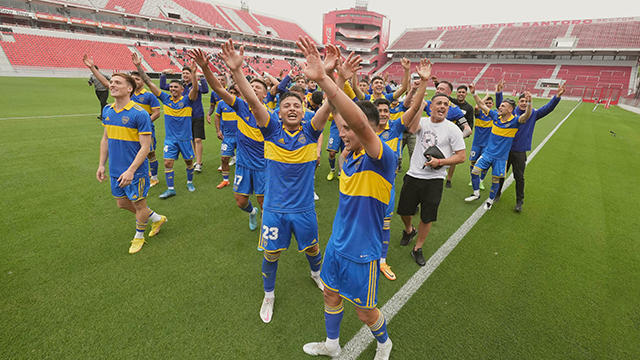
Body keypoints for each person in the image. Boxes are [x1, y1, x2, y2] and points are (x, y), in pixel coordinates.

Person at [214, 41, 334, 324]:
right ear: (279, 112)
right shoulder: (270, 130)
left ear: (304, 110)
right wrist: (237, 72)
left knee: (314, 249)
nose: (292, 108)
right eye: (286, 106)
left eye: (297, 105)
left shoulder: (311, 131)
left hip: (304, 209)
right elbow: (254, 102)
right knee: (271, 253)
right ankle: (269, 294)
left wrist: (326, 75)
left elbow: (330, 104)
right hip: (275, 209)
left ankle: (316, 275)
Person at [297, 37, 395, 360]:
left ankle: (384, 343)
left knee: (365, 314)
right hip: (338, 245)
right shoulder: (347, 158)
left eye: (347, 129)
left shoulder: (382, 157)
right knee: (330, 294)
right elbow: (344, 115)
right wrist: (334, 79)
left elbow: (358, 121)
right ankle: (332, 346)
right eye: (339, 129)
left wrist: (327, 80)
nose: (342, 133)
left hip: (362, 253)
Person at [88, 67, 167, 254]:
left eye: (117, 83)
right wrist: (101, 164)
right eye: (111, 82)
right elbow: (105, 139)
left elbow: (145, 147)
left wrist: (131, 170)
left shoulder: (139, 114)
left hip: (135, 170)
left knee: (139, 204)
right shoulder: (107, 110)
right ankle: (156, 218)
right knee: (122, 203)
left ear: (129, 88)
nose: (112, 85)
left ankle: (139, 237)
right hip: (116, 169)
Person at [194, 48, 267, 231]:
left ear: (266, 95)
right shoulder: (241, 106)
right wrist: (205, 68)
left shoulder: (270, 115)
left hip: (264, 166)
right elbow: (218, 88)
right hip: (243, 163)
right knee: (241, 202)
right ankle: (252, 213)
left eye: (259, 88)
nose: (254, 89)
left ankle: (265, 237)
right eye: (252, 87)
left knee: (264, 202)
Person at [371, 63, 430, 281]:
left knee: (385, 224)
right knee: (365, 222)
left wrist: (423, 82)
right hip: (364, 187)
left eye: (386, 110)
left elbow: (413, 109)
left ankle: (382, 261)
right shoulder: (364, 130)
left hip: (387, 185)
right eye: (379, 110)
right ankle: (363, 255)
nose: (384, 113)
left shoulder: (395, 127)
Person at [396, 92, 467, 267]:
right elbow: (411, 129)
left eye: (446, 104)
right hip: (414, 174)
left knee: (427, 217)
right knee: (404, 211)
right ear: (432, 106)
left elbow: (461, 157)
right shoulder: (424, 122)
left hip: (435, 179)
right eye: (439, 103)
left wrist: (440, 162)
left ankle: (417, 248)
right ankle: (409, 230)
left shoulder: (452, 129)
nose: (442, 107)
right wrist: (420, 106)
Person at [132, 53, 199, 199]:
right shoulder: (165, 99)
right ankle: (171, 189)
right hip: (170, 139)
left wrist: (193, 73)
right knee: (167, 162)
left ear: (182, 89)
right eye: (171, 87)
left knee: (189, 162)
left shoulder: (188, 100)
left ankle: (189, 182)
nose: (173, 89)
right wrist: (138, 66)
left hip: (185, 138)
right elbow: (149, 83)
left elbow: (195, 89)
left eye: (176, 87)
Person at [494, 83, 565, 211]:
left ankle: (519, 202)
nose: (524, 103)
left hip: (520, 152)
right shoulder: (511, 113)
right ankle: (496, 194)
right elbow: (500, 107)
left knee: (519, 177)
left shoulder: (533, 114)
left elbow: (548, 108)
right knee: (500, 174)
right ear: (518, 102)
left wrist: (557, 96)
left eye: (526, 101)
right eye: (522, 101)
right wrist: (499, 93)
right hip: (505, 150)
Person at [464, 88, 533, 210]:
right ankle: (476, 194)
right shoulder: (495, 116)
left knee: (495, 179)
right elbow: (481, 105)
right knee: (475, 171)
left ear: (510, 109)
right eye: (500, 105)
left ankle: (490, 201)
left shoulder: (515, 121)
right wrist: (474, 93)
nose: (499, 107)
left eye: (502, 106)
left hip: (500, 158)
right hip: (488, 154)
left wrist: (529, 103)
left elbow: (526, 115)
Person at [424, 79, 471, 188]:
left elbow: (468, 129)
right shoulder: (429, 103)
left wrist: (457, 137)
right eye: (437, 88)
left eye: (441, 89)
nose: (437, 91)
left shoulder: (454, 109)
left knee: (437, 172)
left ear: (449, 93)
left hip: (442, 146)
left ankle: (448, 179)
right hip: (428, 140)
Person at [160, 66, 209, 172]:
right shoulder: (180, 86)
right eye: (184, 73)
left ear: (192, 75)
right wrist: (163, 74)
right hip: (183, 119)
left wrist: (201, 78)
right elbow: (163, 85)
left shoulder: (195, 85)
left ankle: (198, 163)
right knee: (191, 140)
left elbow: (205, 90)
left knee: (198, 139)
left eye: (187, 73)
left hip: (197, 115)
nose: (185, 75)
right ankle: (195, 159)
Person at [466, 85, 499, 191]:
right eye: (486, 103)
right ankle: (473, 179)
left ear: (492, 104)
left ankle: (481, 181)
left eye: (490, 103)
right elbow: (476, 107)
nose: (488, 104)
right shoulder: (479, 114)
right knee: (473, 162)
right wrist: (486, 96)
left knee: (485, 164)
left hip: (487, 145)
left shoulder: (494, 115)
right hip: (477, 143)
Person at [214, 83, 241, 189]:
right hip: (227, 137)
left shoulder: (240, 103)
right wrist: (218, 131)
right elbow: (217, 117)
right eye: (230, 92)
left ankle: (241, 179)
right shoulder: (221, 103)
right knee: (224, 159)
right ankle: (225, 180)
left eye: (235, 93)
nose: (232, 94)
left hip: (240, 136)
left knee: (242, 160)